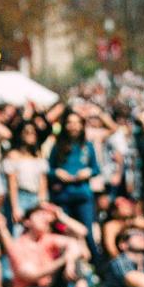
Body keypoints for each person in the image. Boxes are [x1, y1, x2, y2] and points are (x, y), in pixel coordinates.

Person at [47, 110, 102, 259]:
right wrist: (57, 173)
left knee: (88, 233)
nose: (73, 126)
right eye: (70, 123)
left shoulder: (87, 146)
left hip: (83, 195)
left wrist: (88, 172)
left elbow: (96, 169)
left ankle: (97, 267)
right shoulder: (57, 146)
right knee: (65, 233)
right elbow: (48, 169)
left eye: (77, 123)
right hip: (63, 196)